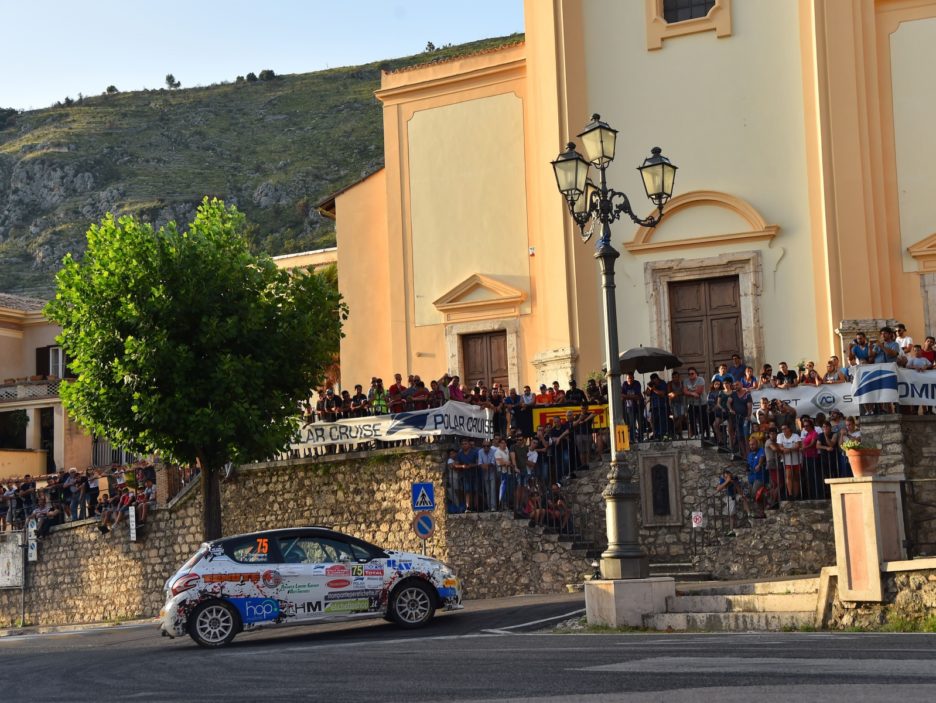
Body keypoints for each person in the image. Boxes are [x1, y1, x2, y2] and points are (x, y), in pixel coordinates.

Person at [776, 424, 803, 499]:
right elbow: (780, 447)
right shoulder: (780, 436)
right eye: (782, 429)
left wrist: (789, 449)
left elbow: (798, 445)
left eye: (785, 428)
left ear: (789, 429)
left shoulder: (795, 436)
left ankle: (796, 495)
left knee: (796, 477)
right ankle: (790, 494)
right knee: (788, 476)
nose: (783, 431)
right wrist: (788, 449)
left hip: (796, 459)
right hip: (787, 460)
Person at [453, 439, 479, 513]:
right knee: (467, 491)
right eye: (463, 444)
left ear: (469, 445)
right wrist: (462, 466)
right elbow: (456, 465)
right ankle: (468, 507)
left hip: (475, 474)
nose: (464, 445)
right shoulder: (459, 454)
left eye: (466, 444)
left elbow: (478, 463)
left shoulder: (474, 453)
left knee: (476, 490)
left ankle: (476, 507)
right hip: (465, 475)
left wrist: (471, 465)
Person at [682, 367, 706, 439]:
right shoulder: (686, 381)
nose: (690, 375)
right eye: (689, 374)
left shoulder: (700, 379)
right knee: (692, 419)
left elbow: (699, 392)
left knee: (702, 419)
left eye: (692, 373)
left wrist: (689, 392)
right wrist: (692, 393)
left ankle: (702, 434)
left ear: (696, 374)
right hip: (691, 403)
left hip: (702, 402)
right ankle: (695, 434)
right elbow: (684, 391)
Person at [476, 440, 497, 513]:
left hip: (492, 473)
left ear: (490, 446)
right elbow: (479, 463)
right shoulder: (480, 452)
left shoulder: (493, 451)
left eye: (488, 446)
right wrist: (484, 465)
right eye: (484, 446)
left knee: (493, 490)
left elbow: (493, 462)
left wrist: (486, 465)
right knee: (487, 491)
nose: (486, 447)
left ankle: (493, 506)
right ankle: (489, 506)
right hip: (484, 474)